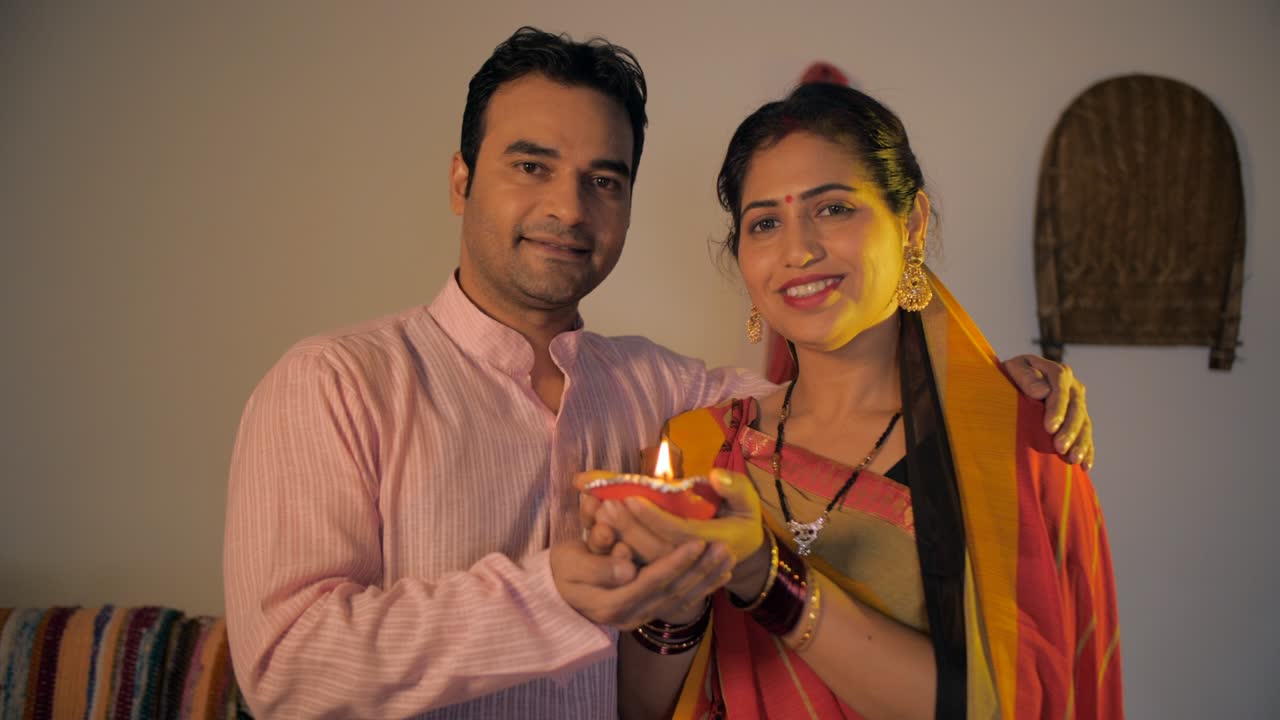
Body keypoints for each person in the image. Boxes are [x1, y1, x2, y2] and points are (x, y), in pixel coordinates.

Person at [223, 28, 1096, 718]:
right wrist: (548, 593)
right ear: (461, 178)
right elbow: (282, 669)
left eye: (604, 180)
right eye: (531, 167)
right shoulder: (336, 385)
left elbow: (826, 408)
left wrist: (991, 383)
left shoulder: (669, 398)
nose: (568, 208)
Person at [581, 82, 1123, 719]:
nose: (798, 250)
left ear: (912, 223)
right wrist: (675, 599)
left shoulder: (1016, 438)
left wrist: (766, 576)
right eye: (764, 224)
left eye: (834, 209)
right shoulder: (703, 447)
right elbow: (645, 711)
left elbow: (1019, 705)